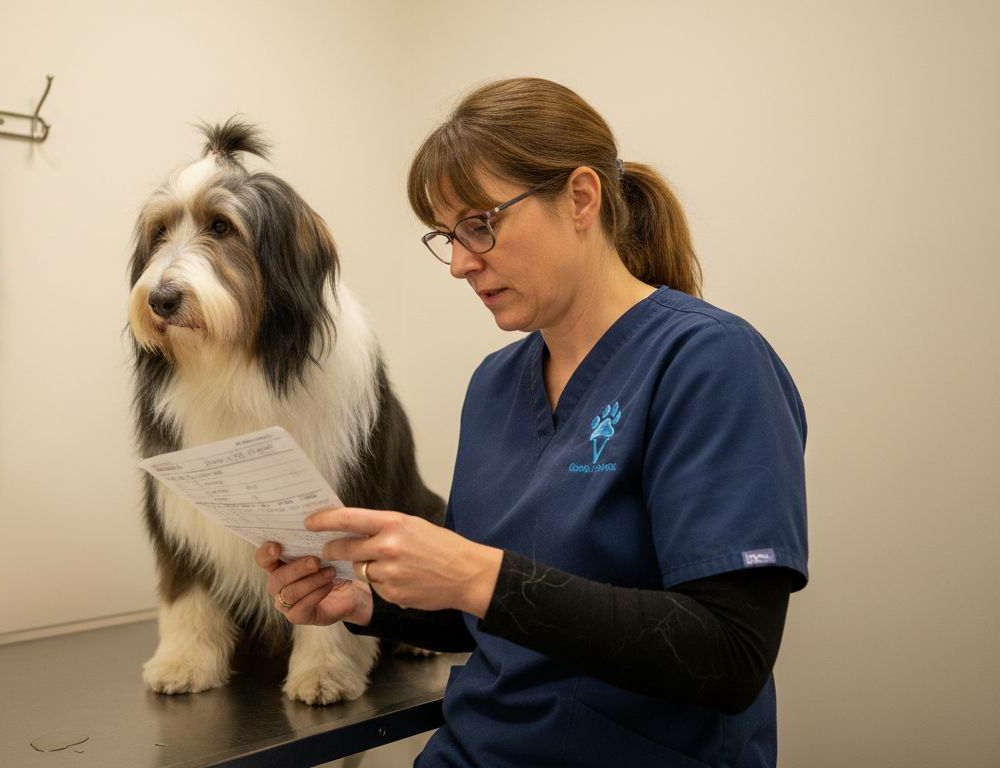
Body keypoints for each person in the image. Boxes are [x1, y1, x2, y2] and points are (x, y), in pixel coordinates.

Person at [255, 77, 808, 768]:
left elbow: (729, 655)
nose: (461, 263)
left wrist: (476, 575)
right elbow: (486, 616)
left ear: (580, 198)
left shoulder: (711, 362)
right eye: (447, 237)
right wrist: (363, 602)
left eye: (480, 225)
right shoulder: (494, 386)